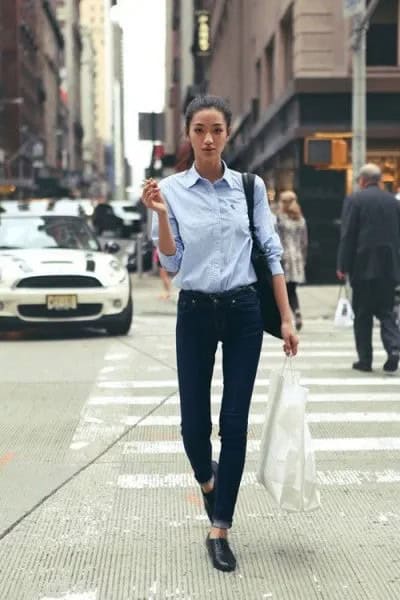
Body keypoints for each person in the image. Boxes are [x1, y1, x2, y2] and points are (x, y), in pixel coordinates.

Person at [142, 94, 298, 573]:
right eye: (199, 131)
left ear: (227, 134)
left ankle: (220, 527)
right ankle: (210, 484)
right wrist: (164, 216)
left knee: (234, 423)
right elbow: (170, 260)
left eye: (216, 130)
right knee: (194, 427)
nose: (208, 139)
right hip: (194, 311)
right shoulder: (169, 189)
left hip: (244, 311)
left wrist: (287, 317)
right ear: (188, 136)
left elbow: (271, 255)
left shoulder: (250, 188)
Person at [337, 163, 400, 373]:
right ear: (379, 180)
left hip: (362, 266)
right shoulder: (393, 202)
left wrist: (342, 265)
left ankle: (365, 360)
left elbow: (348, 234)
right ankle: (393, 349)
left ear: (362, 180)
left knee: (363, 314)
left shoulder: (355, 200)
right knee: (386, 311)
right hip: (389, 267)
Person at [276, 191, 308, 331]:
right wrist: (303, 259)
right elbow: (304, 242)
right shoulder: (300, 220)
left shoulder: (280, 219)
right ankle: (296, 312)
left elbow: (277, 238)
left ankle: (288, 315)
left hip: (284, 258)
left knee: (284, 290)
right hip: (297, 258)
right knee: (292, 289)